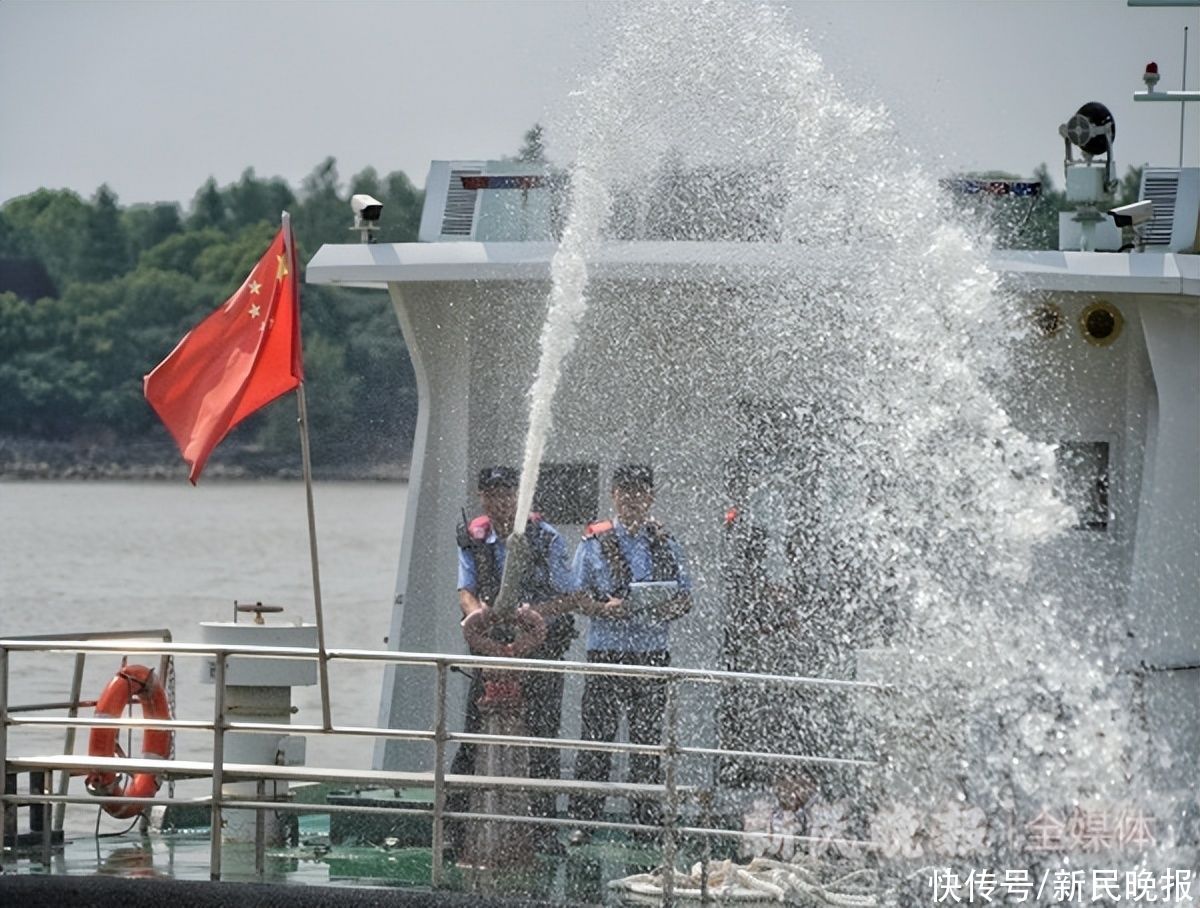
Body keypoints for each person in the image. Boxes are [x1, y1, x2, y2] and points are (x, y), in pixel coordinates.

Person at [452, 465, 577, 852]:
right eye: (493, 495)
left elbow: (569, 595)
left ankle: (543, 832)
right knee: (472, 734)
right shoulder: (472, 540)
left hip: (539, 647)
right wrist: (481, 619)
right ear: (482, 498)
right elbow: (466, 590)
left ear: (520, 496)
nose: (501, 501)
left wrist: (532, 618)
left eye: (508, 493)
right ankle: (454, 827)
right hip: (490, 647)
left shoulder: (546, 538)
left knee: (542, 738)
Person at [567, 464, 692, 845]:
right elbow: (576, 596)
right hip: (606, 652)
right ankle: (583, 821)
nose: (632, 499)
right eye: (625, 492)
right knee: (597, 738)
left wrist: (661, 610)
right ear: (614, 496)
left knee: (648, 740)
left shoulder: (667, 544)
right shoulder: (592, 544)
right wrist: (604, 609)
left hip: (651, 654)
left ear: (650, 496)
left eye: (640, 492)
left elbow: (685, 598)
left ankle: (646, 820)